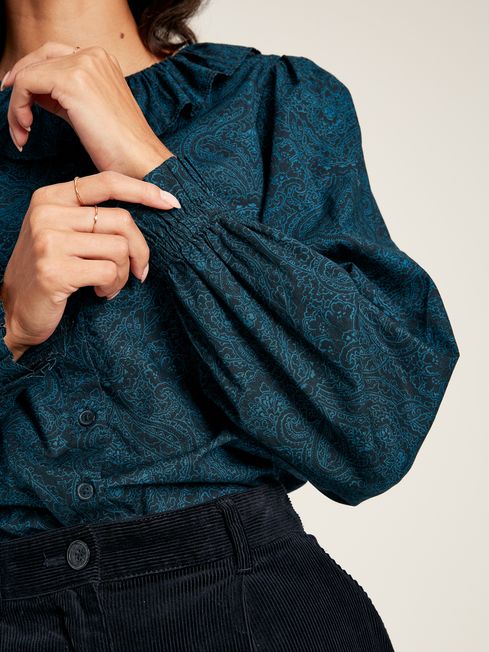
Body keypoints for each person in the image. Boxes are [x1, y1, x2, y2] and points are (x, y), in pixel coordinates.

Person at [0, 1, 460, 650]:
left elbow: (373, 428)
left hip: (252, 617)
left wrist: (149, 165)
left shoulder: (269, 103)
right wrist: (10, 326)